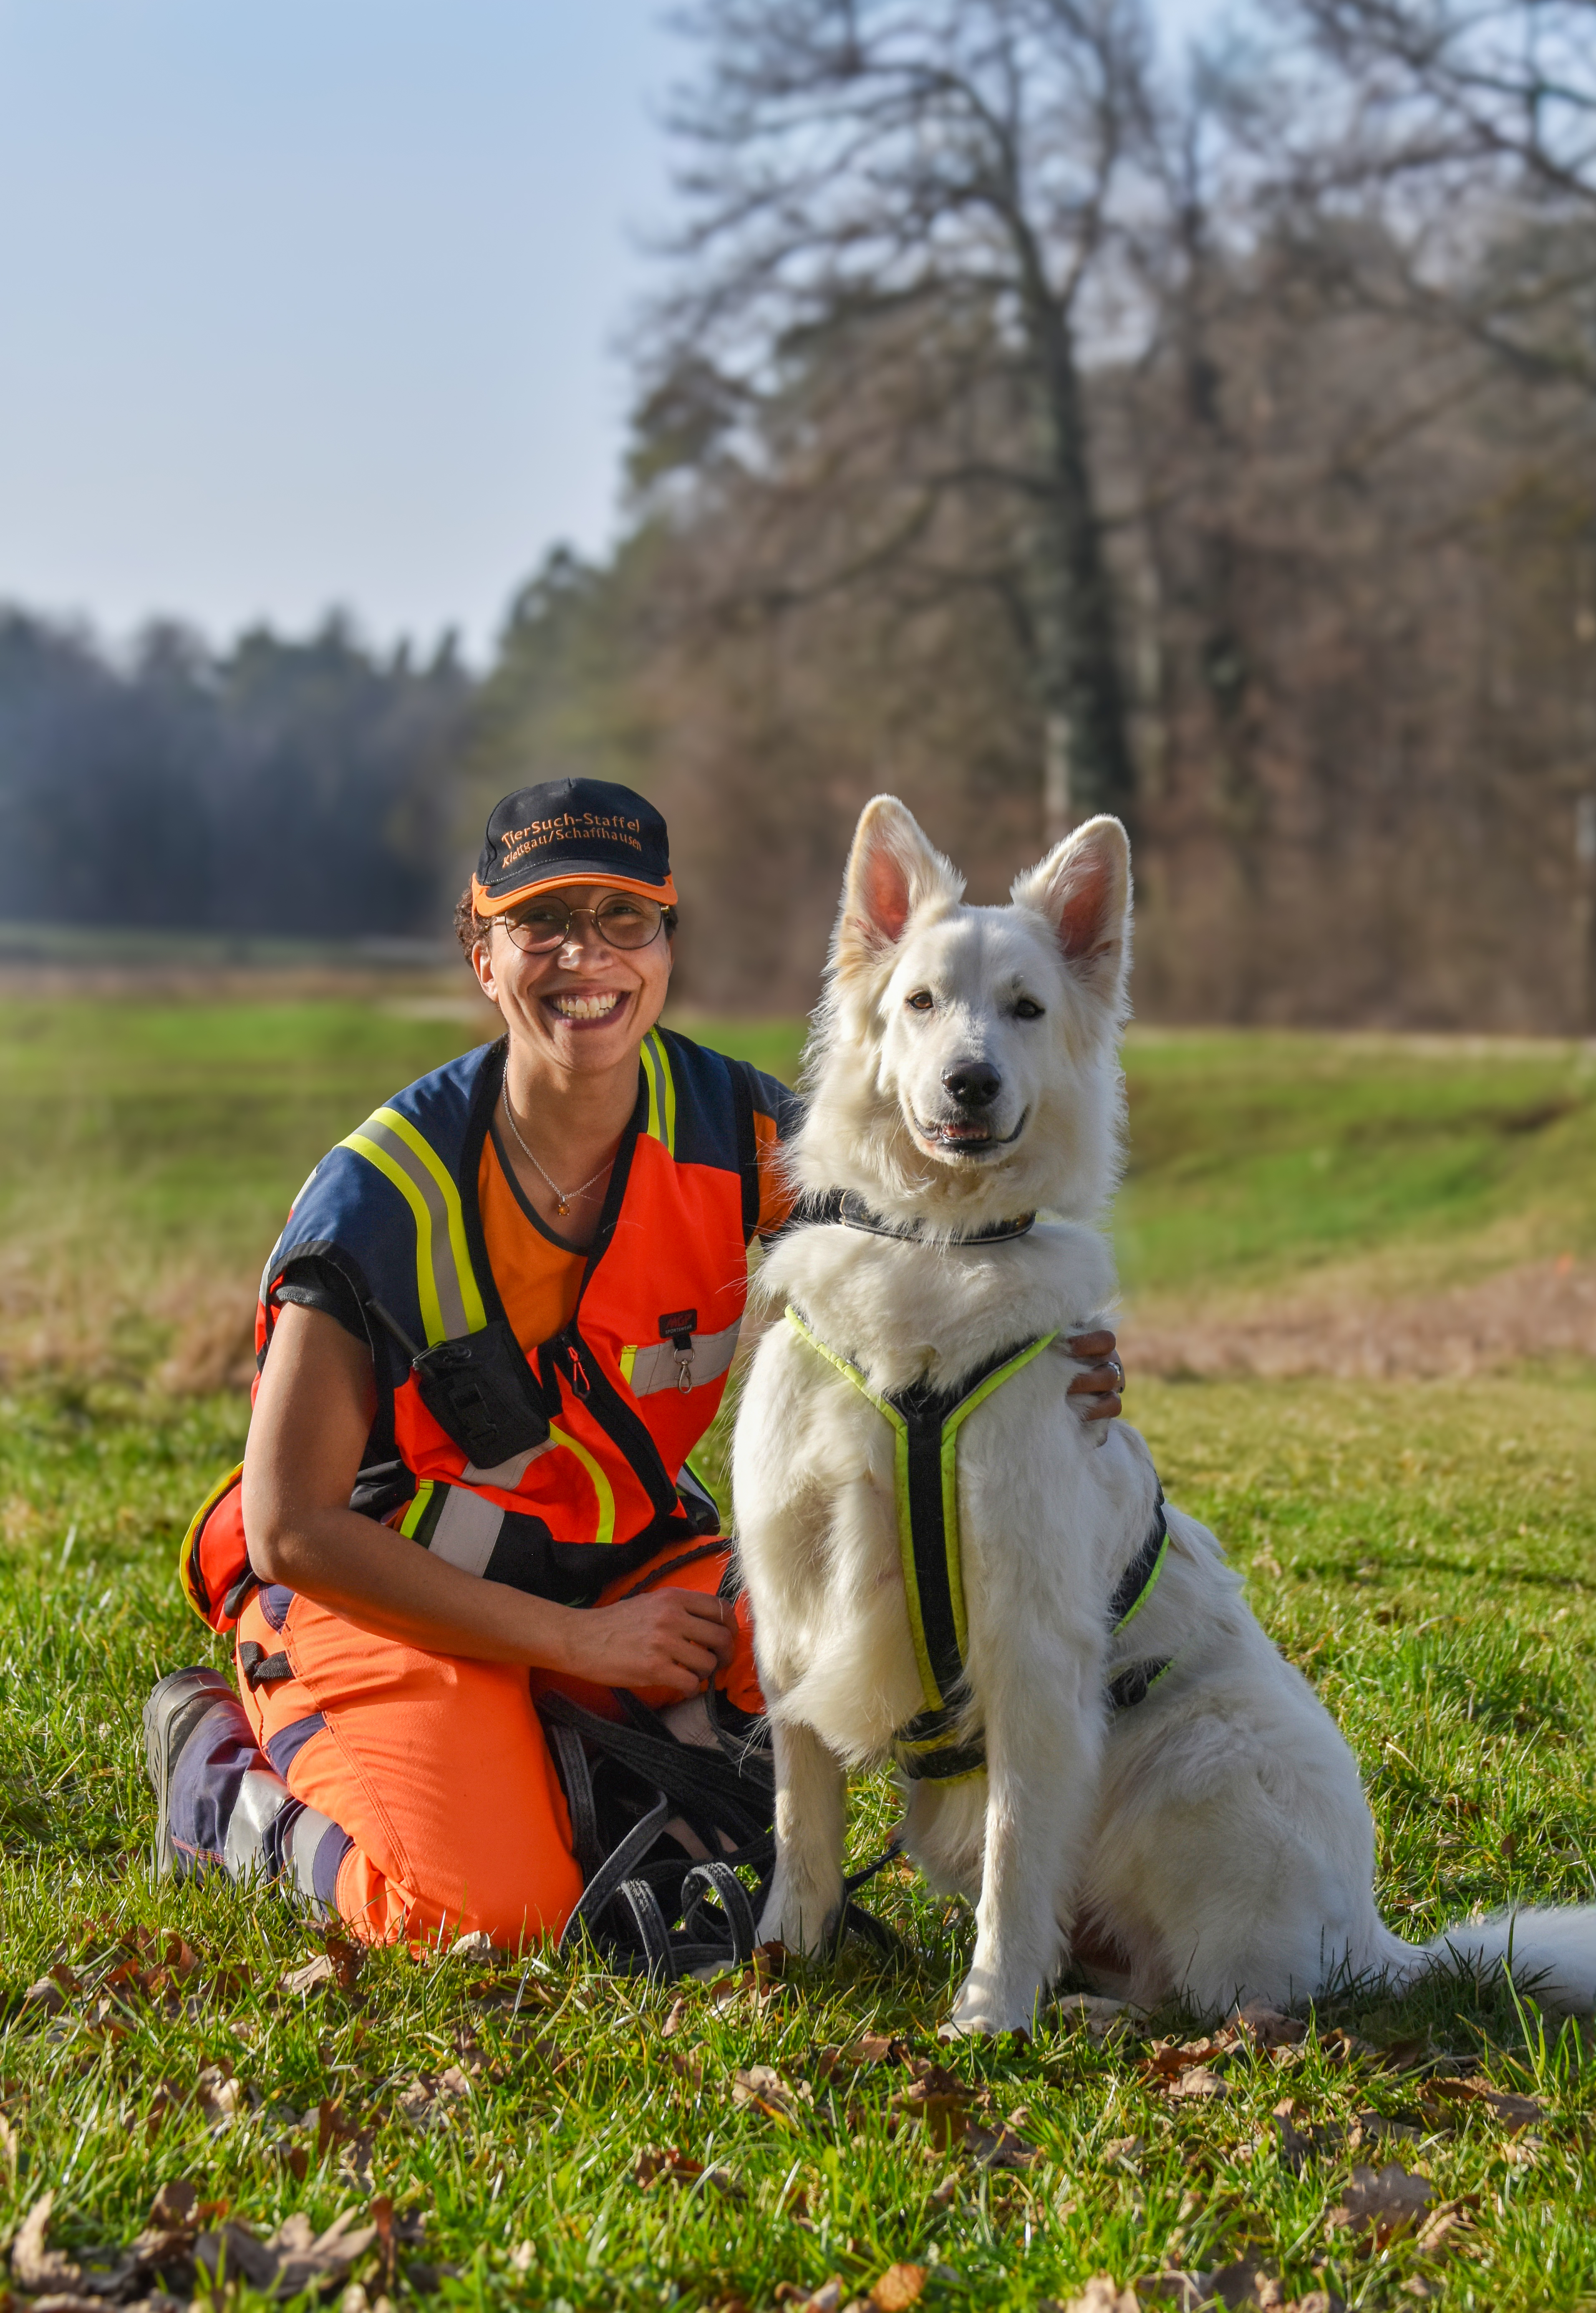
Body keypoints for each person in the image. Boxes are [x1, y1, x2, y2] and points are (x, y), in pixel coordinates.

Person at [142, 779, 1127, 1951]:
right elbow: (291, 1530)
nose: (587, 956)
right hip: (390, 1598)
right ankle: (215, 1780)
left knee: (851, 1661)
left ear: (666, 947)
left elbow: (938, 1241)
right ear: (483, 954)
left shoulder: (740, 1129)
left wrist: (1051, 1350)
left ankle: (572, 1764)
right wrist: (572, 1644)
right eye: (541, 922)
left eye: (625, 918)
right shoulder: (377, 1200)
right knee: (484, 1912)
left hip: (632, 1577)